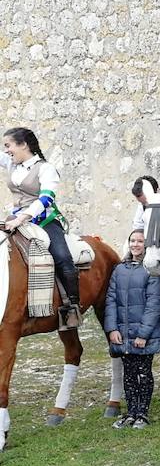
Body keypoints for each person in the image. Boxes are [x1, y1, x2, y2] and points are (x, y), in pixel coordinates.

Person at [1, 127, 81, 329]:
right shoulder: (12, 163)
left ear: (23, 145)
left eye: (8, 145)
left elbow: (45, 199)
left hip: (44, 221)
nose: (7, 150)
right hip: (15, 218)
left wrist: (22, 219)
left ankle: (72, 305)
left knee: (62, 257)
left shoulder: (46, 168)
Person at [104, 230, 160, 429]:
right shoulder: (119, 269)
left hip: (142, 335)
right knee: (128, 374)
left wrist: (143, 334)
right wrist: (112, 329)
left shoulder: (151, 271)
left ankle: (142, 414)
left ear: (146, 246)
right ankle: (131, 412)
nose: (135, 244)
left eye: (140, 241)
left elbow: (154, 304)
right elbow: (111, 300)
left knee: (143, 372)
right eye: (132, 240)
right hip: (123, 333)